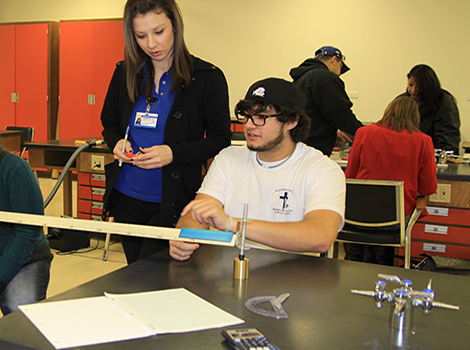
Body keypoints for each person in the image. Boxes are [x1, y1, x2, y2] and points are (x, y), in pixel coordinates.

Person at [101, 0, 232, 264]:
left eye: (158, 32)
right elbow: (109, 122)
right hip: (127, 196)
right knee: (134, 274)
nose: (151, 44)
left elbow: (220, 139)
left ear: (175, 25)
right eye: (141, 36)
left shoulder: (206, 77)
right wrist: (116, 143)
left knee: (155, 279)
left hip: (171, 201)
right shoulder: (125, 72)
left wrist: (174, 153)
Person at [169, 78, 346, 261]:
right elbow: (196, 214)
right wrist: (184, 238)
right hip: (227, 271)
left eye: (261, 117)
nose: (248, 125)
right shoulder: (229, 158)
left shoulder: (322, 170)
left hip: (292, 277)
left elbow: (320, 237)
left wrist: (232, 224)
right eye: (246, 116)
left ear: (291, 122)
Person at [343, 96, 438, 265]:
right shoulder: (424, 141)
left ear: (388, 111)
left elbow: (350, 175)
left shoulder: (364, 133)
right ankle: (381, 264)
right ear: (415, 117)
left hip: (357, 216)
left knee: (356, 237)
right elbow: (428, 187)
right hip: (395, 220)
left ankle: (352, 264)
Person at [0, 145, 53, 315]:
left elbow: (27, 234)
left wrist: (1, 279)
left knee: (19, 310)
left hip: (25, 257)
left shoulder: (15, 169)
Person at [289, 46, 363, 156]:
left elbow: (312, 112)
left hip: (298, 144)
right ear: (334, 60)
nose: (339, 74)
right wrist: (364, 134)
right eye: (340, 67)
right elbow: (340, 114)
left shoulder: (302, 79)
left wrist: (332, 132)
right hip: (314, 150)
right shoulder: (326, 77)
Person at [402, 64, 461, 155]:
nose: (413, 90)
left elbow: (447, 139)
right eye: (410, 85)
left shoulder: (444, 103)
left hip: (433, 156)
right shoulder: (402, 101)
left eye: (418, 86)